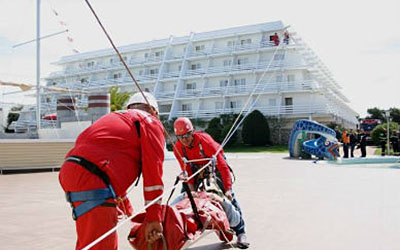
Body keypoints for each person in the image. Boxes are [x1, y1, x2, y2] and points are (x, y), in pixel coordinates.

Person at [59, 92, 165, 250]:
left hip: (73, 171)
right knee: (101, 246)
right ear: (155, 112)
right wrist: (154, 219)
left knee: (90, 240)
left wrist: (131, 215)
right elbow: (153, 175)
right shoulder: (149, 122)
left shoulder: (116, 119)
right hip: (93, 178)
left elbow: (112, 170)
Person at [172, 117, 250, 249]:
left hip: (214, 165)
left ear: (193, 132)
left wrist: (228, 189)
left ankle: (241, 232)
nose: (184, 139)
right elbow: (186, 169)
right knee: (185, 198)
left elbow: (223, 166)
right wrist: (190, 188)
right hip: (195, 168)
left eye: (187, 135)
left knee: (228, 198)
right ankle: (180, 232)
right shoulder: (178, 148)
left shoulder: (205, 141)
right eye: (180, 137)